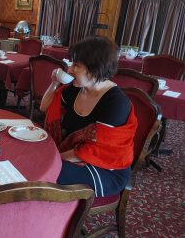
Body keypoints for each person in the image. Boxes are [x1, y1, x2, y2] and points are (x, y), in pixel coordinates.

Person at [40, 36, 138, 197]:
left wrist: (52, 157)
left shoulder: (116, 103)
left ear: (95, 69)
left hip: (105, 169)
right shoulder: (77, 88)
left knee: (47, 170)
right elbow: (45, 107)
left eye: (76, 65)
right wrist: (54, 83)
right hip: (72, 156)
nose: (69, 69)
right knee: (39, 160)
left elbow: (92, 151)